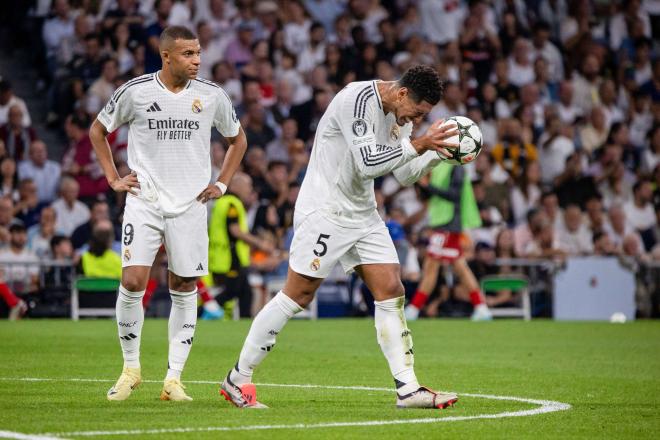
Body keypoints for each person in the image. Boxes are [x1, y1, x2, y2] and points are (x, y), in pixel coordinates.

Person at [220, 65, 460, 409]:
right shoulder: (357, 99)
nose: (415, 120)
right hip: (326, 210)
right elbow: (367, 163)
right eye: (417, 112)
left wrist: (435, 154)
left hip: (363, 213)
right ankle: (237, 379)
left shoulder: (401, 115)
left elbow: (406, 173)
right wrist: (420, 143)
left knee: (391, 288)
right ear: (403, 93)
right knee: (298, 294)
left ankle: (408, 389)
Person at [89, 26, 247, 402]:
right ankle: (130, 369)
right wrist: (113, 177)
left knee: (184, 286)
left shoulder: (212, 96)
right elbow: (98, 131)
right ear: (167, 56)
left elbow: (237, 140)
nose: (196, 60)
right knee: (132, 281)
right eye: (188, 54)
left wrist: (222, 184)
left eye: (198, 53)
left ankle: (173, 380)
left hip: (190, 205)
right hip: (145, 200)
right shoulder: (136, 92)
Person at [404, 163, 492, 321]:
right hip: (442, 222)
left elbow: (454, 195)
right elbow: (428, 196)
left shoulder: (455, 167)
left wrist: (428, 186)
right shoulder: (437, 166)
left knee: (432, 265)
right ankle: (481, 307)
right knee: (459, 267)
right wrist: (420, 182)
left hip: (448, 224)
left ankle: (414, 309)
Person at [208, 172, 273, 319]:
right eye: (248, 185)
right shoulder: (232, 203)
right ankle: (203, 310)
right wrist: (260, 243)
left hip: (226, 256)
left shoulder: (223, 202)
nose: (250, 189)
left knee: (246, 293)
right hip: (229, 258)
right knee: (232, 292)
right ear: (236, 185)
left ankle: (245, 323)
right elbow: (235, 231)